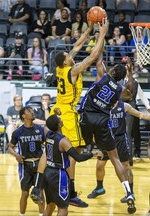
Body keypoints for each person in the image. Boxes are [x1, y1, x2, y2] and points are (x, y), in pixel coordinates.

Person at [47, 18, 108, 208]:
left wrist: (89, 28)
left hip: (58, 108)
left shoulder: (60, 68)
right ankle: (71, 193)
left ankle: (53, 185)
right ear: (66, 61)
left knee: (68, 152)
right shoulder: (72, 70)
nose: (71, 55)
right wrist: (103, 33)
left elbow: (77, 45)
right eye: (68, 55)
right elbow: (92, 56)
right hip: (66, 114)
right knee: (73, 154)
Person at [79, 48, 136, 213]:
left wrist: (100, 35)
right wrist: (130, 73)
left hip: (87, 118)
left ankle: (70, 186)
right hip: (103, 123)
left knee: (75, 147)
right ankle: (128, 192)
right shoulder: (120, 90)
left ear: (111, 71)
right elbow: (131, 95)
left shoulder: (102, 76)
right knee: (115, 158)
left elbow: (98, 58)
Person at [87, 100, 150, 202]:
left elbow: (140, 114)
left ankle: (130, 193)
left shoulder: (124, 106)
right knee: (99, 165)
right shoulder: (101, 107)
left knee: (125, 166)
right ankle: (100, 188)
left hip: (119, 139)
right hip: (106, 138)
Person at [36, 114, 100, 216]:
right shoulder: (63, 141)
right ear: (59, 124)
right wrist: (94, 153)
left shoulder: (48, 135)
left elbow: (46, 126)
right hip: (58, 175)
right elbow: (78, 158)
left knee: (50, 205)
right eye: (59, 119)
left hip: (47, 172)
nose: (61, 119)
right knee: (63, 209)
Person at [7, 106, 45, 216]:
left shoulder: (40, 129)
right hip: (25, 165)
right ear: (23, 116)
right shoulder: (18, 132)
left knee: (40, 192)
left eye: (32, 111)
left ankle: (42, 214)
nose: (32, 112)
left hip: (39, 164)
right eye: (29, 111)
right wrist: (16, 155)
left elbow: (48, 144)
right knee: (24, 193)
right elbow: (10, 147)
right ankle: (22, 214)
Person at [121, 56, 150, 161]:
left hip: (132, 106)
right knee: (123, 131)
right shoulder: (119, 81)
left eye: (128, 66)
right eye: (125, 66)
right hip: (121, 107)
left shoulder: (134, 82)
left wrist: (148, 107)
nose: (127, 68)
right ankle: (121, 153)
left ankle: (133, 155)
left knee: (132, 132)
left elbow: (142, 95)